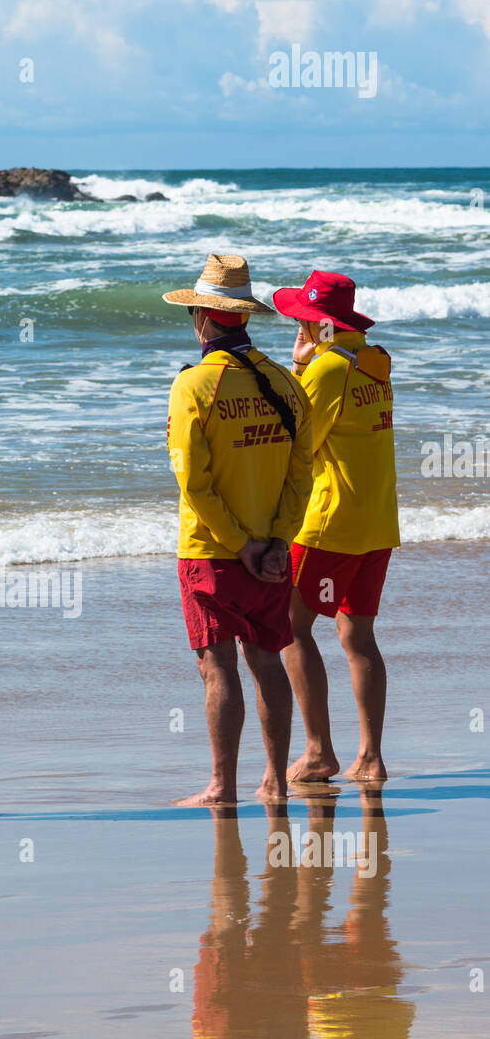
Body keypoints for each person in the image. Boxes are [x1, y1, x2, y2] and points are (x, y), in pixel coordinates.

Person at [164, 253, 313, 805]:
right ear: (241, 316)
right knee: (267, 658)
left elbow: (195, 487)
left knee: (217, 665)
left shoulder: (194, 386)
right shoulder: (285, 381)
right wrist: (275, 541)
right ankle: (275, 779)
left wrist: (240, 546)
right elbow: (303, 471)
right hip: (273, 550)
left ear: (203, 318)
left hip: (211, 550)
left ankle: (221, 784)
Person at [273, 271, 399, 783]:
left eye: (302, 319)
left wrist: (300, 368)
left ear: (319, 324)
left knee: (289, 627)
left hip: (331, 523)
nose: (296, 327)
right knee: (358, 635)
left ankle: (318, 751)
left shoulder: (327, 370)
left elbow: (295, 441)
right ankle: (370, 756)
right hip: (377, 520)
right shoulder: (375, 357)